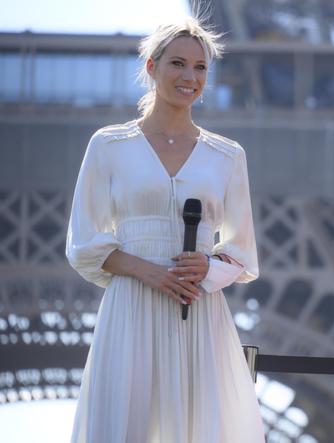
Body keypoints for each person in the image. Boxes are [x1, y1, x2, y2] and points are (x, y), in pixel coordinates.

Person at [66, 17, 265, 443]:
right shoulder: (108, 145)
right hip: (132, 308)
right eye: (177, 63)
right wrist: (146, 270)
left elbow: (243, 253)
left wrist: (208, 266)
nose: (189, 77)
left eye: (200, 68)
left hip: (199, 311)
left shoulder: (228, 155)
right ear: (152, 67)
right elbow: (83, 241)